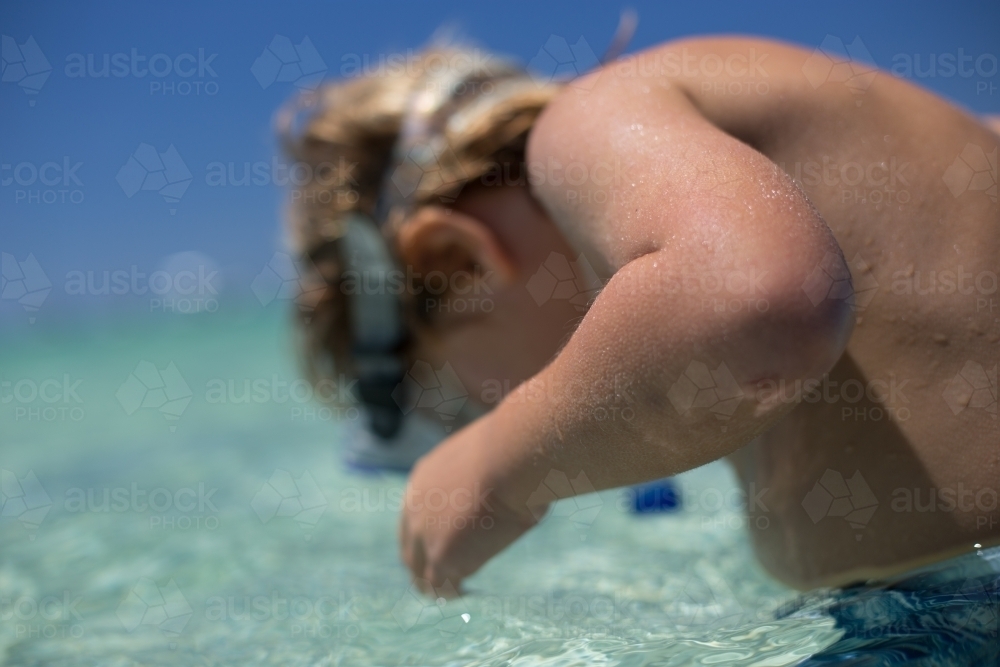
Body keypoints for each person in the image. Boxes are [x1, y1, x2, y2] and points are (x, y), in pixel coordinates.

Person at [281, 34, 998, 612]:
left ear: (454, 263)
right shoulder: (715, 188)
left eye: (459, 406)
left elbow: (755, 303)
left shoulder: (589, 121)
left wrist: (497, 464)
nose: (494, 416)